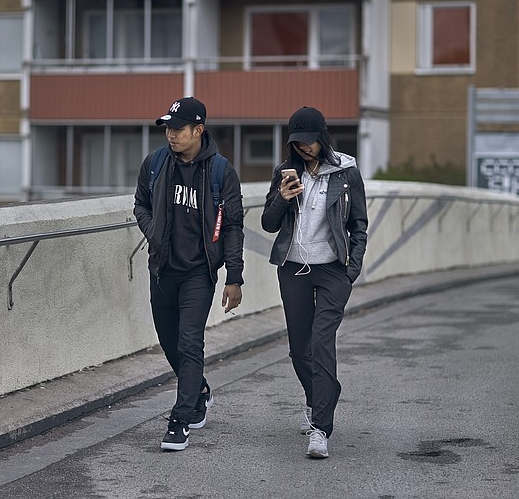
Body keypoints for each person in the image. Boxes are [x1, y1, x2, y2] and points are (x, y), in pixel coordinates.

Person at [134, 96, 244, 451]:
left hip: (199, 272)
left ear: (199, 130)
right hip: (163, 270)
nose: (171, 135)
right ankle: (199, 390)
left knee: (189, 342)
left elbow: (233, 226)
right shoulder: (155, 163)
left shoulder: (220, 172)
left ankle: (179, 421)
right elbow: (141, 204)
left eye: (179, 129)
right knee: (169, 342)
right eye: (168, 128)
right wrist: (154, 233)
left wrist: (234, 276)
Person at [261, 106, 368, 459]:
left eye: (309, 142)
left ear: (322, 137)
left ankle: (320, 428)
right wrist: (282, 197)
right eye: (297, 142)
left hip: (333, 269)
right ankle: (317, 398)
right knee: (299, 350)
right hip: (293, 268)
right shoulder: (284, 173)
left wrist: (352, 269)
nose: (304, 148)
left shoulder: (347, 172)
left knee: (323, 343)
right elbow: (268, 223)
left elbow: (359, 225)